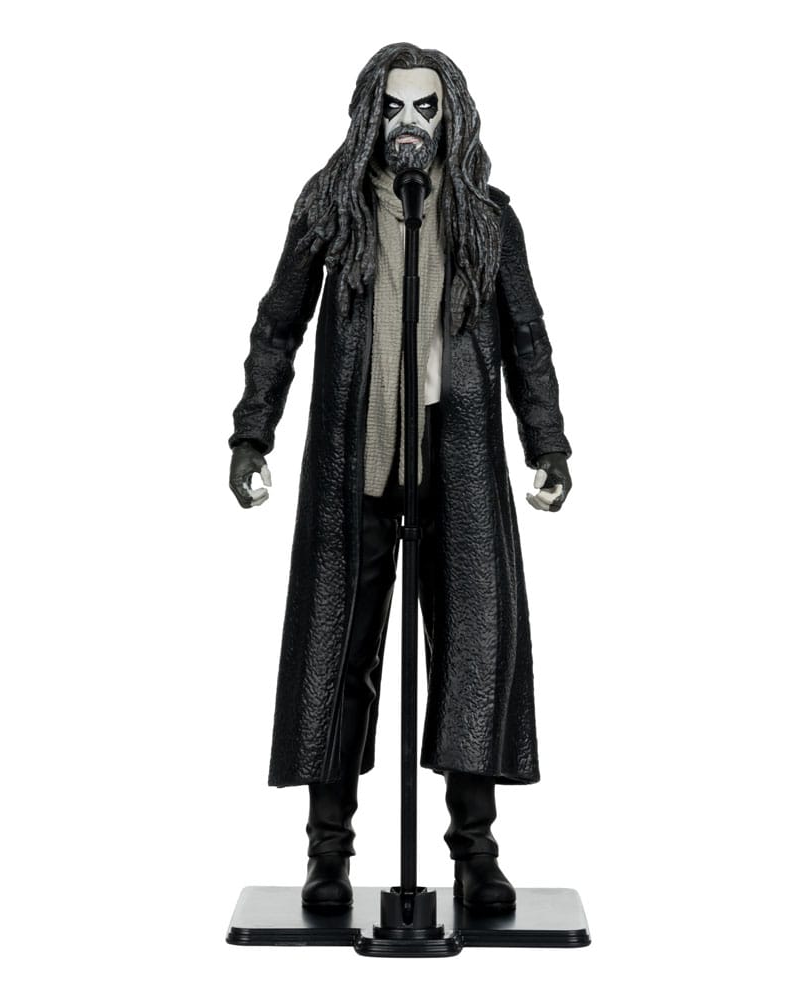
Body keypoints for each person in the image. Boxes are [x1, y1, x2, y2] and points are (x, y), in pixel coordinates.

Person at [228, 43, 572, 913]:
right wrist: (253, 433)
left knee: (471, 651)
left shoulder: (487, 218)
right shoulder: (330, 207)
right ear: (367, 115)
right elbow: (278, 324)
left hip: (458, 466)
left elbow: (527, 337)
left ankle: (474, 854)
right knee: (336, 653)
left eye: (424, 106)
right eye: (391, 107)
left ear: (450, 114)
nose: (407, 123)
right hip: (357, 467)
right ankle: (328, 853)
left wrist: (547, 444)